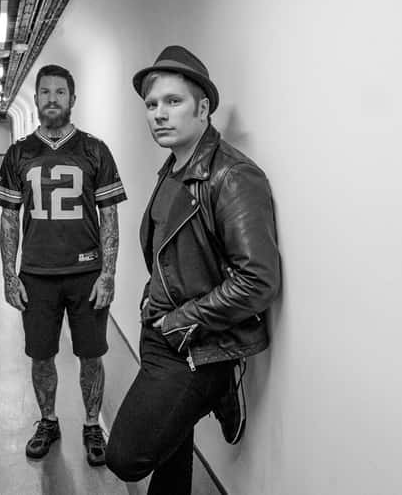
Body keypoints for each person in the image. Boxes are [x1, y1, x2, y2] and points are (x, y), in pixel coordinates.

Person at [106, 45, 281, 494]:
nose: (159, 115)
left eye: (173, 101)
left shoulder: (233, 176)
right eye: (151, 104)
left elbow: (257, 280)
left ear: (203, 108)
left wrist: (180, 322)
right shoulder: (171, 170)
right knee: (172, 448)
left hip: (196, 343)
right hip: (162, 329)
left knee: (127, 456)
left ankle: (221, 386)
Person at [0, 64, 126, 466]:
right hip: (36, 276)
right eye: (45, 92)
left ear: (72, 99)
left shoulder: (94, 150)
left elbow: (109, 216)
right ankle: (48, 421)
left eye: (60, 92)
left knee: (91, 355)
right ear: (35, 99)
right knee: (41, 356)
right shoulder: (19, 153)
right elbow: (9, 217)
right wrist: (8, 273)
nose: (52, 99)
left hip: (86, 274)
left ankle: (90, 424)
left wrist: (108, 272)